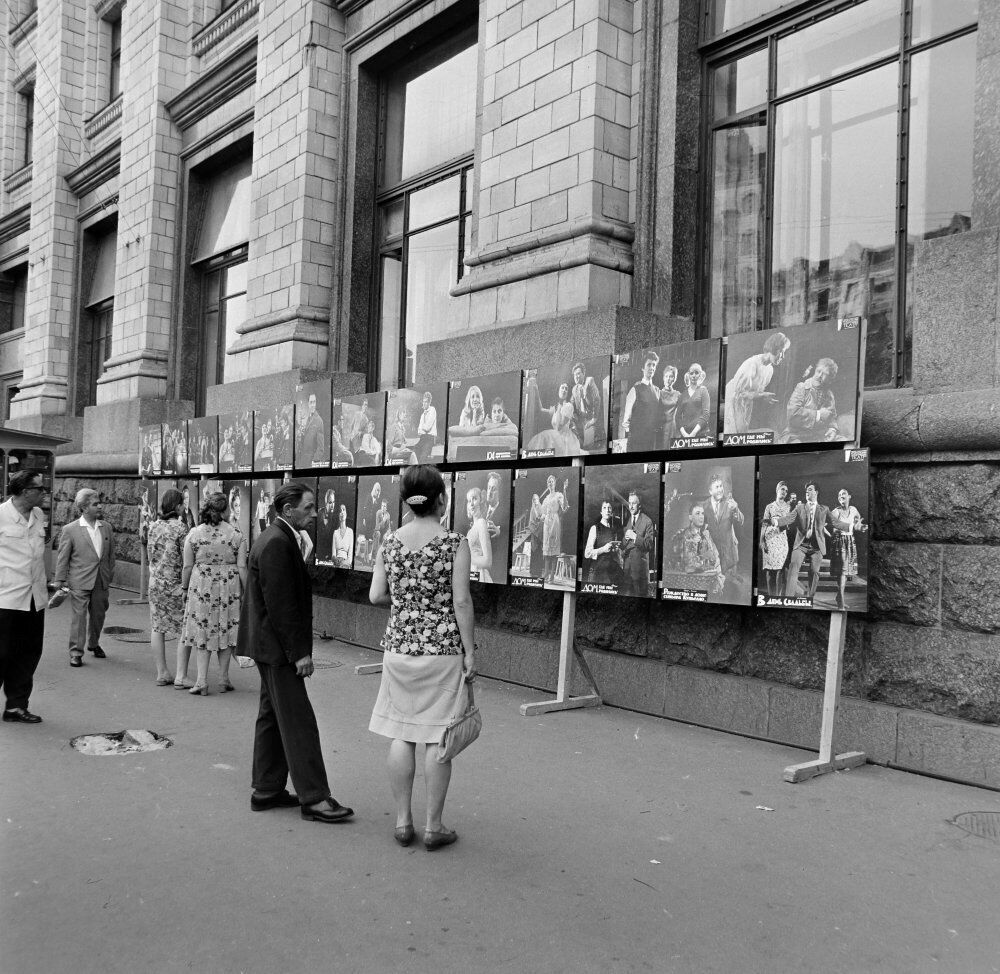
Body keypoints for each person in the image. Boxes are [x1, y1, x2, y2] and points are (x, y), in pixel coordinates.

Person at [368, 464, 477, 850]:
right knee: (437, 736)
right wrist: (469, 651)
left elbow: (375, 595)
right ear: (442, 500)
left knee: (402, 732)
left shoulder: (389, 542)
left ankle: (402, 822)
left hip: (399, 648)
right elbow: (461, 601)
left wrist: (407, 602)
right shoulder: (454, 543)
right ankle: (434, 826)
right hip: (442, 650)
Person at [238, 481, 354, 822]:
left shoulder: (277, 537)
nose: (315, 512)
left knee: (272, 716)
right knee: (298, 721)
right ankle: (315, 798)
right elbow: (282, 606)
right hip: (277, 648)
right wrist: (299, 653)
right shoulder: (276, 542)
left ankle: (267, 789)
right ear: (288, 510)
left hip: (267, 645)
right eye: (308, 507)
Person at [181, 492, 247, 695]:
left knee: (203, 629)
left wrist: (184, 588)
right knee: (226, 629)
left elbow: (187, 566)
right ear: (225, 510)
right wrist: (246, 592)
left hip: (202, 587)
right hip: (229, 587)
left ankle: (201, 680)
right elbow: (242, 567)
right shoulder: (236, 535)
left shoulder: (194, 533)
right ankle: (224, 678)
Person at [0, 471, 49, 723]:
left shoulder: (39, 515)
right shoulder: (1, 515)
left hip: (34, 598)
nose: (44, 492)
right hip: (5, 598)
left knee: (28, 653)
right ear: (24, 491)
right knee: (2, 652)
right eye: (40, 488)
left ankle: (16, 706)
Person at [53, 488, 116, 667]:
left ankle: (94, 643)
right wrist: (59, 580)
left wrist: (109, 573)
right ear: (84, 508)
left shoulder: (107, 528)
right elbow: (63, 556)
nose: (100, 507)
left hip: (101, 579)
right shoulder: (70, 530)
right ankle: (76, 652)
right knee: (79, 617)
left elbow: (111, 555)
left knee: (99, 614)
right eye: (96, 504)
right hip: (79, 580)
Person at [146, 488, 191, 687]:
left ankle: (162, 672)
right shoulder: (181, 529)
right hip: (175, 584)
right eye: (183, 503)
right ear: (178, 506)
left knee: (157, 627)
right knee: (184, 628)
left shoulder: (153, 526)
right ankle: (181, 675)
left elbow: (150, 554)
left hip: (155, 583)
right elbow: (186, 558)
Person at [724, 332, 789, 434]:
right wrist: (761, 396)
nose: (783, 356)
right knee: (733, 434)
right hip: (732, 400)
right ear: (774, 348)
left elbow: (754, 394)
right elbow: (739, 393)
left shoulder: (769, 370)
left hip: (745, 403)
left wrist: (762, 397)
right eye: (782, 351)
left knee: (742, 433)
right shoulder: (752, 364)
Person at [785, 483, 834, 599]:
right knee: (793, 567)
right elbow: (788, 518)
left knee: (814, 571)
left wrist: (853, 526)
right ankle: (788, 598)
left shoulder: (824, 509)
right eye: (806, 490)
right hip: (801, 544)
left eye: (810, 490)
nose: (807, 492)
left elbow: (836, 522)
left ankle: (809, 598)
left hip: (816, 547)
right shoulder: (800, 507)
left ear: (816, 492)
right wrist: (775, 522)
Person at [702, 474, 745, 600]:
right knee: (713, 592)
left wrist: (736, 509)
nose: (721, 489)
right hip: (712, 557)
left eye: (721, 486)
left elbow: (741, 521)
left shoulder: (729, 503)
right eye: (717, 487)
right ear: (710, 491)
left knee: (728, 593)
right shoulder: (704, 506)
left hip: (728, 555)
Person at [783, 358, 841, 443]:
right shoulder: (802, 388)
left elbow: (832, 417)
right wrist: (818, 414)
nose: (819, 376)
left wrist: (832, 429)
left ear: (830, 379)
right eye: (818, 371)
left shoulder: (829, 395)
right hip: (796, 435)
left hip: (819, 435)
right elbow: (792, 414)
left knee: (844, 441)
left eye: (825, 374)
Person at [828, 488, 867, 610]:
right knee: (842, 573)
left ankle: (839, 597)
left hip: (850, 542)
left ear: (849, 496)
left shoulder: (854, 509)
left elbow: (857, 524)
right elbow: (834, 530)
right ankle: (841, 602)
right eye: (839, 494)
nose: (841, 496)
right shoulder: (835, 512)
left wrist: (861, 527)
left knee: (844, 573)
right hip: (840, 544)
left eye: (843, 493)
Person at [669, 502, 722, 589]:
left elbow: (714, 559)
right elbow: (690, 566)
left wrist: (704, 559)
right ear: (690, 517)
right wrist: (704, 557)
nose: (701, 516)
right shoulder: (682, 536)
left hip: (704, 582)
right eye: (697, 513)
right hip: (685, 583)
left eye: (702, 514)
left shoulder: (706, 535)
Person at [524, 382, 583, 456]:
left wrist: (559, 408)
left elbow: (559, 426)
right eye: (562, 388)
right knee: (540, 438)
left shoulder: (568, 406)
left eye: (566, 389)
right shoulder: (556, 407)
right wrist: (536, 390)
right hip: (556, 437)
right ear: (558, 390)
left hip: (565, 438)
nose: (564, 390)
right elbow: (541, 409)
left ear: (568, 393)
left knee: (544, 436)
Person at [759, 480, 795, 598]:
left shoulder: (789, 507)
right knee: (769, 570)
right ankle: (770, 596)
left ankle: (777, 597)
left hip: (781, 539)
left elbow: (790, 522)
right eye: (782, 489)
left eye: (786, 490)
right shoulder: (769, 506)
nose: (784, 492)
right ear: (777, 490)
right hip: (769, 538)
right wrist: (761, 540)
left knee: (780, 569)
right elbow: (764, 523)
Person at [620, 351, 660, 451]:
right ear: (643, 368)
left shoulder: (657, 391)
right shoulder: (635, 389)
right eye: (649, 365)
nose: (651, 368)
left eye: (654, 365)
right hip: (636, 442)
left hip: (651, 441)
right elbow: (625, 421)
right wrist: (633, 434)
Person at [621, 491, 655, 597]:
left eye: (634, 503)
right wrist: (625, 539)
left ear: (639, 505)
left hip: (640, 571)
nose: (631, 506)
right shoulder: (629, 521)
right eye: (629, 503)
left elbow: (649, 545)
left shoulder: (647, 521)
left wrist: (635, 537)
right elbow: (623, 545)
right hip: (627, 570)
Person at [583, 500, 622, 586]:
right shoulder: (595, 528)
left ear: (611, 512)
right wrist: (603, 549)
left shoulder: (613, 530)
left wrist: (615, 550)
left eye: (609, 508)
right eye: (604, 508)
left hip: (609, 573)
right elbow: (587, 553)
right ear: (601, 512)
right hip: (597, 571)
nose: (607, 510)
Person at [672, 364, 711, 441]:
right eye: (691, 373)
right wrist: (685, 435)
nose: (694, 375)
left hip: (701, 435)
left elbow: (706, 414)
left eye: (696, 373)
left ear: (700, 375)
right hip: (685, 436)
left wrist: (693, 434)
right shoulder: (682, 395)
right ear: (688, 375)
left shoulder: (703, 391)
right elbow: (677, 417)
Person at [540, 476, 568, 584]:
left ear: (555, 483)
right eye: (549, 482)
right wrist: (541, 517)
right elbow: (542, 513)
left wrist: (565, 490)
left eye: (552, 481)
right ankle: (546, 574)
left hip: (555, 523)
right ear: (547, 484)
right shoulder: (546, 498)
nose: (550, 483)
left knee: (554, 550)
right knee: (546, 551)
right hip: (546, 523)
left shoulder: (559, 495)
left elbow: (564, 506)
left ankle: (551, 576)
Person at [570, 361, 604, 449]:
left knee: (588, 447)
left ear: (583, 373)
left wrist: (594, 419)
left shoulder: (589, 381)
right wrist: (573, 418)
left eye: (578, 374)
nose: (576, 377)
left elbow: (597, 399)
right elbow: (571, 405)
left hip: (591, 419)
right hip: (580, 422)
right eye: (574, 375)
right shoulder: (574, 389)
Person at [465, 487, 492, 582]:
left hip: (479, 574)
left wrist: (464, 558)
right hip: (470, 572)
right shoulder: (472, 527)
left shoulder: (481, 523)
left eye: (475, 499)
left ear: (481, 501)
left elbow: (487, 561)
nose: (471, 504)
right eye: (469, 501)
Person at [296, 393, 326, 466]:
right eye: (311, 402)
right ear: (308, 404)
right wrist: (301, 436)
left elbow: (321, 448)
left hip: (310, 463)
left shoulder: (319, 421)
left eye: (314, 402)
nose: (313, 405)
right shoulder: (309, 419)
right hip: (303, 461)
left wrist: (314, 462)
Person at [658, 365, 680, 449]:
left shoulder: (678, 394)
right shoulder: (658, 393)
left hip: (674, 428)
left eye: (671, 376)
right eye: (666, 376)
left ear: (674, 379)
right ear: (663, 377)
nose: (668, 379)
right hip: (661, 428)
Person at [415, 391, 438, 462]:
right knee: (415, 451)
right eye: (423, 402)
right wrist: (422, 428)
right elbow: (419, 431)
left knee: (423, 457)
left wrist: (423, 428)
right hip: (423, 438)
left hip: (430, 438)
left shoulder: (432, 410)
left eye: (425, 402)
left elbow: (427, 428)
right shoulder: (423, 414)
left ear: (429, 403)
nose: (423, 404)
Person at [526, 492, 544, 579]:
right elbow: (531, 522)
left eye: (536, 499)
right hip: (534, 534)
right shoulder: (532, 509)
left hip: (540, 534)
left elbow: (543, 518)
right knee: (534, 552)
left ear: (538, 499)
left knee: (539, 553)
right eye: (534, 499)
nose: (535, 500)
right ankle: (533, 571)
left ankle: (539, 571)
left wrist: (540, 520)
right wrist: (536, 525)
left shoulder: (541, 507)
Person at [316, 489, 337, 564]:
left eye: (334, 502)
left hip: (329, 556)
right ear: (326, 503)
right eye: (330, 502)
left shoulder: (335, 518)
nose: (332, 505)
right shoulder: (319, 514)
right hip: (319, 555)